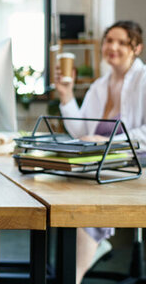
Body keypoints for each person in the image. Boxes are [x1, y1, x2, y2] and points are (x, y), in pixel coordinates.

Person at [54, 20, 146, 283]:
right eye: (109, 41)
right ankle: (87, 249)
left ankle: (74, 273)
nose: (112, 47)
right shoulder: (100, 85)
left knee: (88, 185)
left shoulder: (144, 80)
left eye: (121, 42)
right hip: (101, 160)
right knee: (65, 178)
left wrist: (107, 143)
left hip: (134, 160)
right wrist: (66, 95)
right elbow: (79, 129)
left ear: (136, 48)